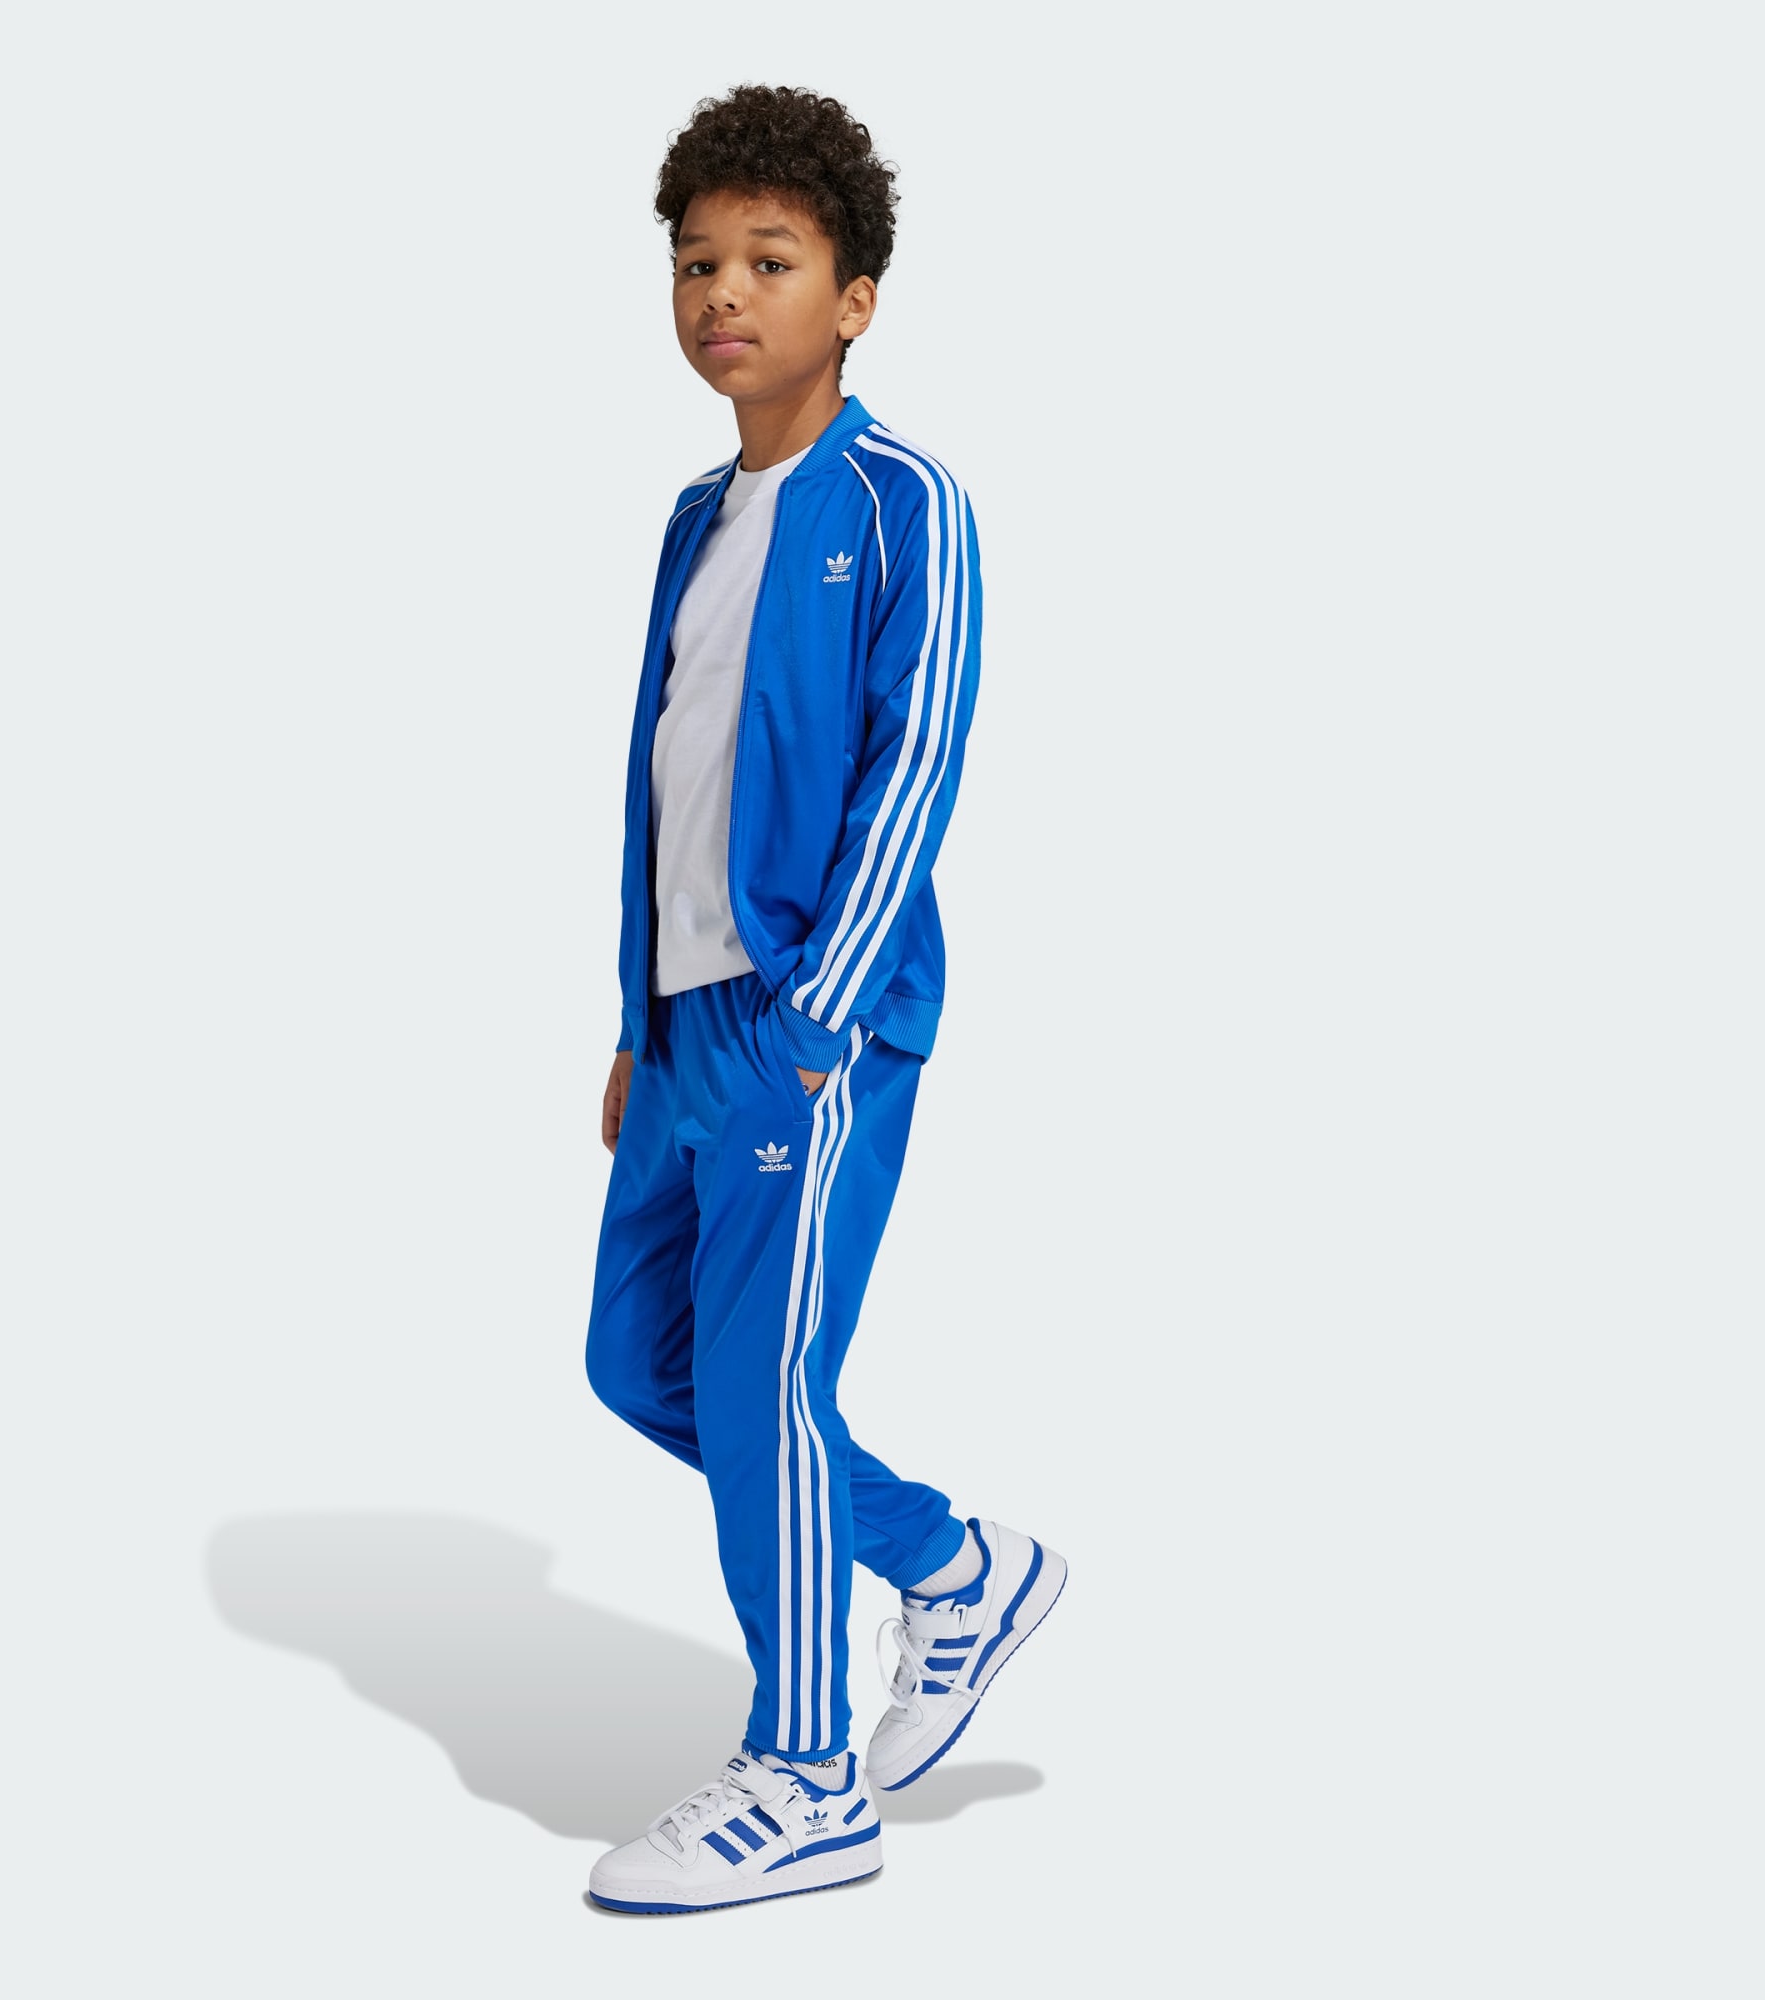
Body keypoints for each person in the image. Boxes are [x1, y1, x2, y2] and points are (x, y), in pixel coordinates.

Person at [583, 84, 1065, 1916]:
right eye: (697, 261)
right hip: (684, 1026)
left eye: (770, 261)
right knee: (645, 1365)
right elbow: (666, 770)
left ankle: (806, 1778)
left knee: (766, 1378)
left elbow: (913, 759)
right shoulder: (690, 518)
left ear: (854, 297)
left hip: (812, 1022)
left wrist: (817, 1016)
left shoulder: (901, 501)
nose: (723, 292)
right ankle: (951, 1567)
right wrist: (637, 1018)